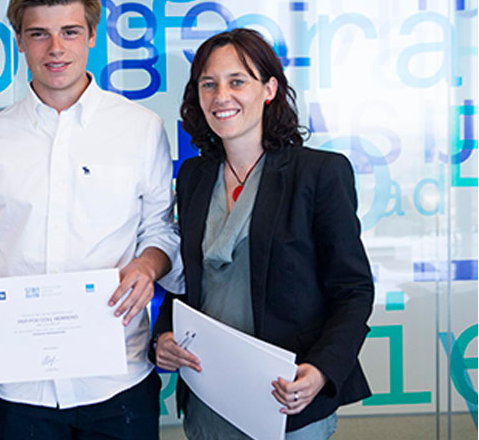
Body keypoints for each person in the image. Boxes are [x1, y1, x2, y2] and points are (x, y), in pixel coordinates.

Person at [0, 0, 180, 440]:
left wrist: (147, 266)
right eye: (39, 34)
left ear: (92, 36)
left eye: (70, 32)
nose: (55, 48)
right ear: (19, 41)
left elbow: (160, 230)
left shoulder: (141, 128)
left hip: (118, 376)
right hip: (19, 383)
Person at [152, 28, 374, 439]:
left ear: (269, 89)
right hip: (208, 397)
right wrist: (163, 335)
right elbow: (188, 281)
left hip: (287, 398)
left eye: (237, 81)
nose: (221, 96)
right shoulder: (194, 176)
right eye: (209, 84)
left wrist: (321, 370)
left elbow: (353, 289)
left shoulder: (319, 174)